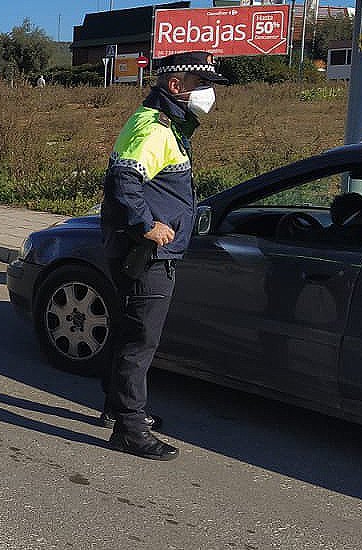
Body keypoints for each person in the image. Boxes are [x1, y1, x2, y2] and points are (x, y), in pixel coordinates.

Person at [99, 51, 228, 461]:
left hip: (142, 251)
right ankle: (130, 429)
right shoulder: (154, 128)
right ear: (176, 86)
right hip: (147, 254)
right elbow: (124, 179)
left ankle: (116, 407)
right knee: (140, 342)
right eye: (201, 85)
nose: (207, 95)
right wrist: (148, 226)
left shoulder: (165, 124)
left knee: (127, 333)